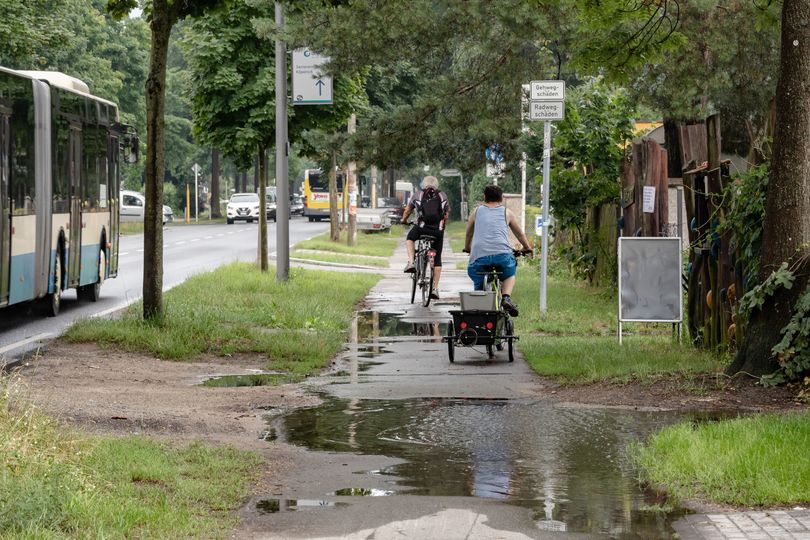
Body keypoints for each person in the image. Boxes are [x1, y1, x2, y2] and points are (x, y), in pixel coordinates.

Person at [463, 184, 532, 317]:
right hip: (503, 255)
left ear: (484, 197)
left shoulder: (476, 212)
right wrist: (527, 247)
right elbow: (520, 235)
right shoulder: (507, 212)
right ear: (501, 198)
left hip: (479, 256)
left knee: (477, 276)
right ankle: (506, 297)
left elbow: (469, 234)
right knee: (509, 274)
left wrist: (467, 248)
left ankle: (479, 301)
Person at [402, 175, 450, 299]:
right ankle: (435, 288)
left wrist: (403, 220)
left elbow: (407, 211)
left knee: (410, 238)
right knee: (437, 258)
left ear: (424, 185)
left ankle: (411, 262)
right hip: (438, 231)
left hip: (421, 228)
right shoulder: (442, 195)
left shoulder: (418, 194)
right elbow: (446, 216)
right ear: (436, 185)